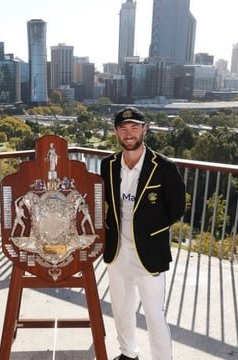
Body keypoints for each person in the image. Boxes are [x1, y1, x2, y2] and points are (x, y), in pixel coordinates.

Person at [100, 107, 186, 360]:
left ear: (145, 129)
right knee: (121, 308)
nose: (129, 133)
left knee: (154, 313)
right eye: (123, 128)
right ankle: (128, 353)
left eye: (134, 127)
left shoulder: (165, 168)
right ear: (116, 132)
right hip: (117, 250)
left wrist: (150, 230)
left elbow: (176, 209)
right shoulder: (108, 165)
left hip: (149, 251)